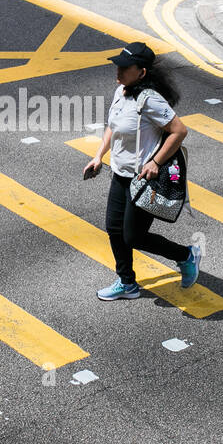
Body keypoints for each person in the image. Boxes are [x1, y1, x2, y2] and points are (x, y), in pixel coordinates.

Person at [82, 43, 201, 301]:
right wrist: (98, 156)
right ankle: (127, 283)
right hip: (120, 174)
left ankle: (186, 255)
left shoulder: (151, 100)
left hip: (143, 180)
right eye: (118, 65)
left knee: (133, 236)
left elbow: (179, 131)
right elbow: (112, 127)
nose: (119, 70)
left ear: (142, 72)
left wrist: (156, 162)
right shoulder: (121, 92)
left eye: (125, 67)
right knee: (114, 229)